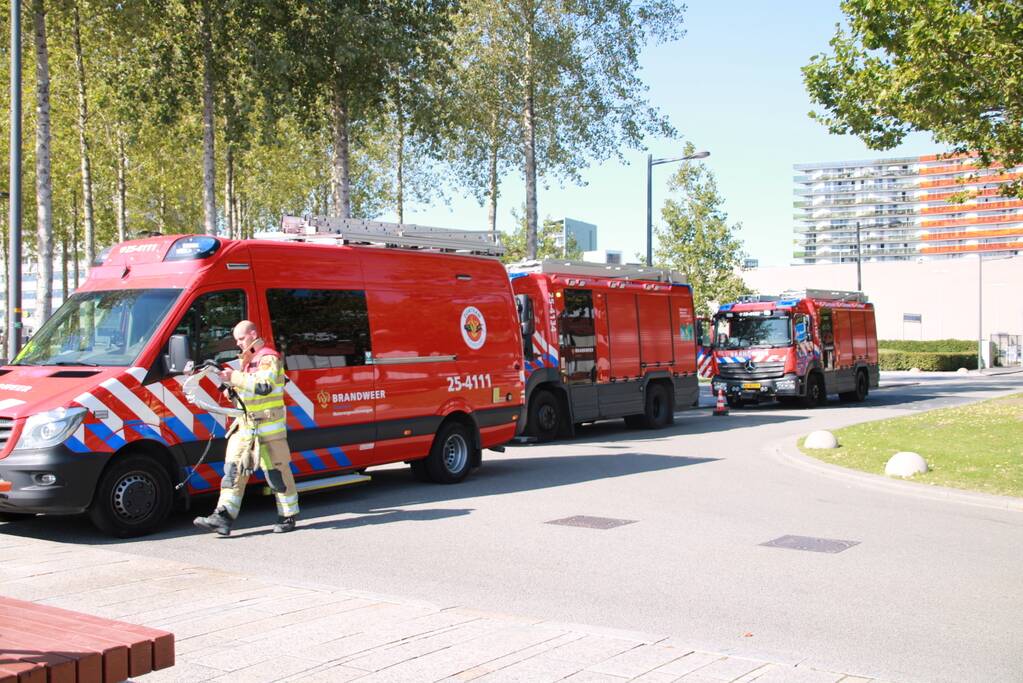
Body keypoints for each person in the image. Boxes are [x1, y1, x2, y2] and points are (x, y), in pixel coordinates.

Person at [193, 320, 299, 536]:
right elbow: (246, 392)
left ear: (253, 334)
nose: (238, 343)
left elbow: (263, 386)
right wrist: (228, 387)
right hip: (246, 427)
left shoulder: (268, 357)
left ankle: (288, 515)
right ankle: (223, 517)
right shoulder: (248, 361)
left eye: (241, 338)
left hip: (268, 429)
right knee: (233, 471)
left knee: (277, 475)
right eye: (237, 340)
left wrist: (233, 377)